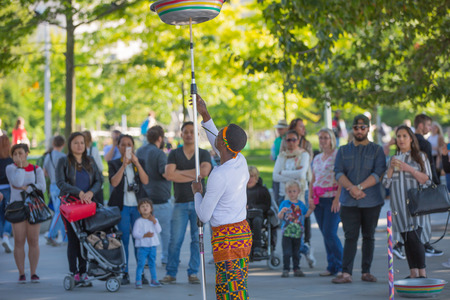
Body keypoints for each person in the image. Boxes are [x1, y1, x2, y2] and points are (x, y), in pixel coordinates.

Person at [192, 94, 252, 300]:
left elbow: (204, 214)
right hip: (242, 234)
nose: (216, 136)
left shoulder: (219, 175)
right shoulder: (239, 159)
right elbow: (217, 139)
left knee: (229, 293)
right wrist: (204, 113)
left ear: (223, 144)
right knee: (235, 288)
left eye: (220, 135)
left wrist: (197, 192)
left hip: (227, 239)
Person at [332, 114, 386, 284]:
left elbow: (378, 173)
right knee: (350, 237)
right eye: (356, 127)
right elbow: (338, 172)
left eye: (363, 127)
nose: (360, 130)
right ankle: (346, 273)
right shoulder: (343, 150)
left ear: (368, 129)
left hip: (371, 201)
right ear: (352, 129)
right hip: (349, 201)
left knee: (369, 236)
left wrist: (359, 187)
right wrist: (351, 188)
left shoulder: (377, 150)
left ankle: (366, 272)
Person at [161, 121, 212, 285]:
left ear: (196, 135)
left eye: (192, 131)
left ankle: (193, 272)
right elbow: (169, 175)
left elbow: (204, 172)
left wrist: (179, 174)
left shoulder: (203, 153)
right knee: (175, 240)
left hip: (199, 203)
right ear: (181, 134)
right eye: (186, 132)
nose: (189, 134)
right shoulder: (174, 153)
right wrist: (194, 175)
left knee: (197, 240)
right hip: (180, 203)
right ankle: (171, 273)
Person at [382, 125, 432, 278]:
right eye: (398, 136)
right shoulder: (393, 158)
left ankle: (422, 274)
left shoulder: (420, 157)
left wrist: (408, 168)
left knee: (415, 238)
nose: (401, 139)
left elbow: (427, 180)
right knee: (406, 239)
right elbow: (385, 184)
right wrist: (391, 168)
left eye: (404, 136)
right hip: (398, 206)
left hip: (416, 206)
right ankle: (413, 273)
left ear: (411, 138)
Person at [56, 132, 103, 286]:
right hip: (71, 205)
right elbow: (61, 183)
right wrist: (79, 192)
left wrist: (90, 193)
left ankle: (83, 272)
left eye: (82, 142)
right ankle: (74, 272)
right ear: (70, 145)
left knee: (86, 239)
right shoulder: (64, 161)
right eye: (76, 142)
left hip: (87, 204)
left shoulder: (90, 161)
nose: (79, 145)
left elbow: (99, 180)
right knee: (73, 239)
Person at [108, 134, 149, 285]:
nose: (126, 147)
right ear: (118, 147)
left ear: (133, 147)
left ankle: (141, 273)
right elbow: (114, 182)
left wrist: (136, 163)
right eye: (123, 144)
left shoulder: (140, 162)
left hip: (138, 208)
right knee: (123, 239)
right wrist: (124, 165)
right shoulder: (113, 163)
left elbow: (145, 180)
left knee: (139, 239)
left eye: (129, 144)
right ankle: (124, 272)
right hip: (122, 207)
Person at [273, 130, 316, 268]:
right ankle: (292, 257)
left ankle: (303, 251)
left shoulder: (303, 154)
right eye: (288, 140)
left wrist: (283, 173)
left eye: (293, 140)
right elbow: (275, 176)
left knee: (299, 227)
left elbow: (302, 174)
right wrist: (294, 175)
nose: (290, 143)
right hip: (283, 195)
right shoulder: (282, 156)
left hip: (300, 195)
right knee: (287, 228)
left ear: (298, 140)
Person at [6, 144, 46, 283]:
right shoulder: (11, 168)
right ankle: (21, 273)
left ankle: (33, 272)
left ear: (27, 153)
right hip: (17, 207)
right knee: (19, 241)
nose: (18, 156)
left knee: (33, 240)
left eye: (20, 153)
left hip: (33, 206)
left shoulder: (36, 169)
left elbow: (42, 187)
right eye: (15, 154)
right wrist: (21, 167)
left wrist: (27, 188)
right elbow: (16, 182)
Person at [308, 128, 343, 276]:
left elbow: (341, 177)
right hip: (318, 200)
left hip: (332, 199)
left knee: (330, 233)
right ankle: (331, 266)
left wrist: (338, 198)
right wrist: (310, 197)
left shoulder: (337, 156)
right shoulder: (317, 158)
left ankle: (343, 266)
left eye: (325, 138)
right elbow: (313, 179)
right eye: (321, 138)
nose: (322, 141)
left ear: (332, 139)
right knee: (325, 234)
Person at [136, 125, 172, 266]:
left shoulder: (140, 151)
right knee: (164, 233)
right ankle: (165, 258)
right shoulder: (159, 154)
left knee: (146, 232)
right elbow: (165, 173)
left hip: (144, 198)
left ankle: (144, 259)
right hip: (160, 198)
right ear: (159, 138)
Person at [414, 114, 443, 257]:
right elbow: (430, 165)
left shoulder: (409, 140)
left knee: (415, 216)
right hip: (424, 181)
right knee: (425, 216)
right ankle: (425, 244)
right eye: (428, 125)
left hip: (411, 183)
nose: (430, 128)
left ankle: (418, 245)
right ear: (421, 125)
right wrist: (436, 183)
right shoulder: (425, 143)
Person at [278, 180, 313, 277]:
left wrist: (311, 208)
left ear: (299, 192)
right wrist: (282, 212)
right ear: (286, 192)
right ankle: (286, 269)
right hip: (286, 233)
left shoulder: (301, 204)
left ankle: (296, 268)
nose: (292, 193)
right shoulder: (284, 203)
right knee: (287, 252)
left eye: (294, 191)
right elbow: (279, 217)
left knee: (296, 252)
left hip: (298, 233)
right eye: (289, 191)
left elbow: (306, 215)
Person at [132, 198, 162, 288]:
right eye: (142, 206)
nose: (145, 208)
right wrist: (144, 235)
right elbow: (135, 234)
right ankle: (138, 280)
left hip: (152, 246)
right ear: (139, 210)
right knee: (141, 264)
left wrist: (155, 222)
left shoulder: (154, 220)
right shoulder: (138, 221)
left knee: (152, 263)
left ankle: (154, 279)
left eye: (147, 206)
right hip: (142, 247)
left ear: (151, 209)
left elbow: (159, 230)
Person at [43, 135, 66, 246]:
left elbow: (45, 172)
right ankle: (50, 234)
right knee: (60, 211)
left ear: (53, 144)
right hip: (60, 186)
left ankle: (66, 238)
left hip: (52, 185)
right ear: (63, 144)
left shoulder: (48, 156)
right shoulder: (63, 156)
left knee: (61, 211)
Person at [247, 166, 272, 257]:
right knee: (246, 223)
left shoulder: (262, 190)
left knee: (257, 221)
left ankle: (257, 247)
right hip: (245, 216)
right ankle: (247, 247)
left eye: (252, 176)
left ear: (256, 178)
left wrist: (252, 206)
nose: (250, 179)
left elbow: (267, 205)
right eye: (248, 176)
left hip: (259, 215)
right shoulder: (240, 191)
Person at [0, 135, 14, 253]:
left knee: (0, 216)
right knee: (9, 214)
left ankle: (3, 237)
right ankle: (5, 236)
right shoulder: (10, 160)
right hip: (8, 189)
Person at [83, 131, 104, 204]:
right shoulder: (93, 150)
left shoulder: (80, 152)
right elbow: (100, 167)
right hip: (94, 185)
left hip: (85, 186)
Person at [271, 119, 289, 205]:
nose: (279, 130)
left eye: (281, 128)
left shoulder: (289, 139)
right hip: (278, 163)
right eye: (278, 128)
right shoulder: (277, 140)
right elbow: (273, 152)